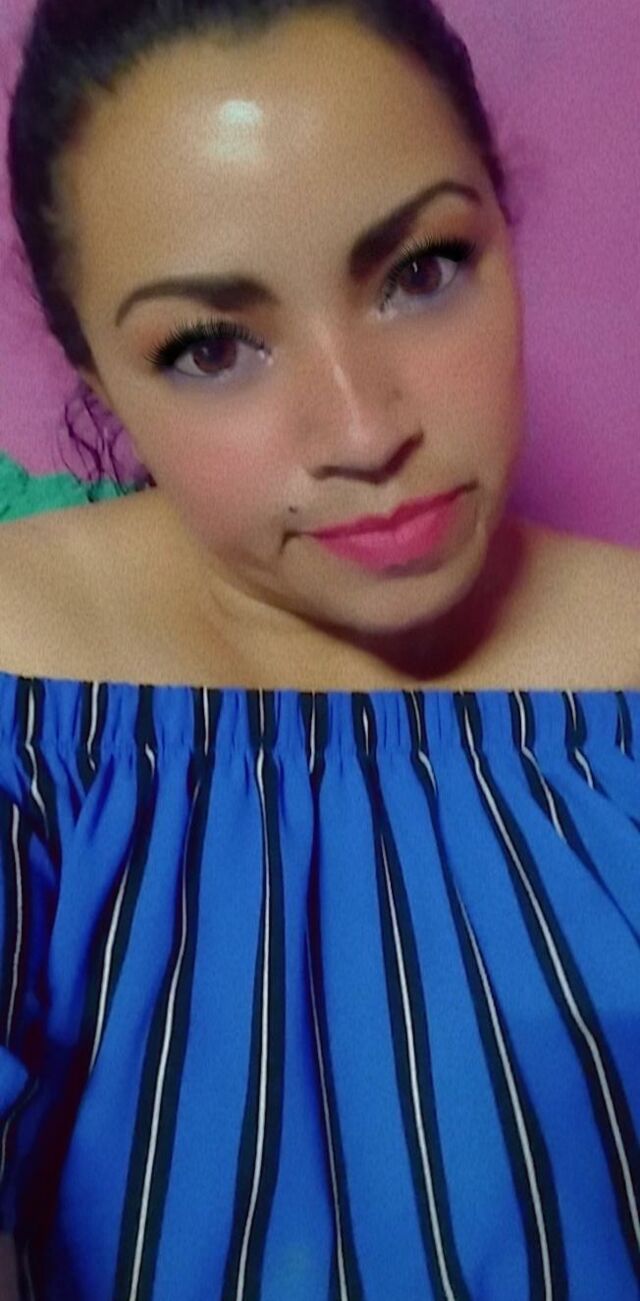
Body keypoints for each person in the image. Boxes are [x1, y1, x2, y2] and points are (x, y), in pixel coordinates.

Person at [1, 0, 639, 1296]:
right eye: (209, 346)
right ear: (97, 376)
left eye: (424, 270)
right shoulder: (28, 683)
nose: (360, 430)